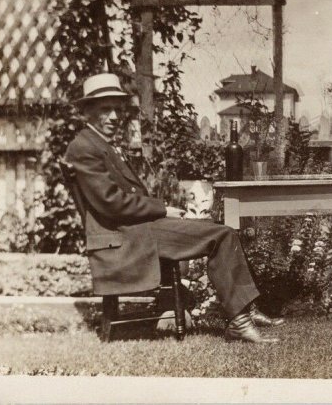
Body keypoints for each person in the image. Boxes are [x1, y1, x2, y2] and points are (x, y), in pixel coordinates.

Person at [65, 73, 283, 343]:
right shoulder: (84, 147)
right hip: (125, 236)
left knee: (221, 230)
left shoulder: (100, 144)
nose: (113, 117)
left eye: (116, 109)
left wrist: (159, 210)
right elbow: (111, 203)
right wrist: (161, 209)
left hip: (135, 229)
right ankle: (239, 320)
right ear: (86, 111)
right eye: (104, 110)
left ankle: (244, 311)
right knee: (222, 235)